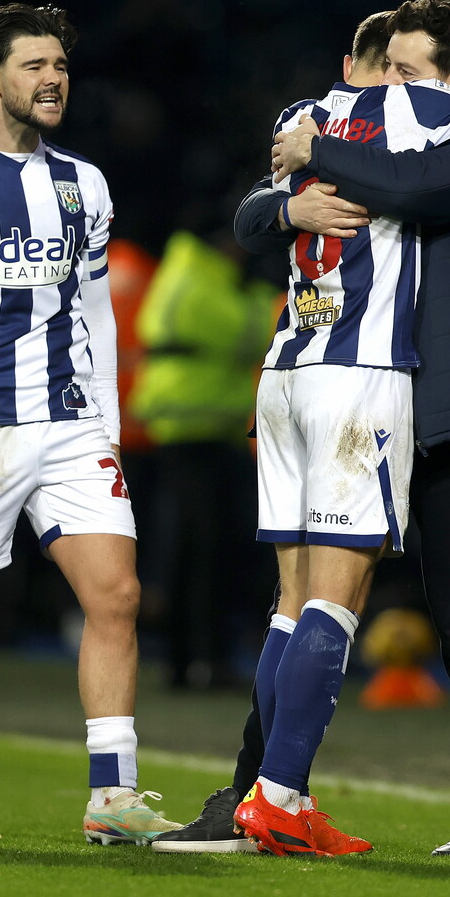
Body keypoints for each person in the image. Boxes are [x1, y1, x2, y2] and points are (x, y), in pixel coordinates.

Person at [154, 0, 450, 859]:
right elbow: (251, 212)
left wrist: (310, 161)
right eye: (389, 65)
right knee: (307, 600)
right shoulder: (397, 120)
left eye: (409, 70)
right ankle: (255, 795)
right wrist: (284, 207)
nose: (392, 82)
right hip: (369, 385)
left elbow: (413, 186)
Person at [0, 2, 181, 847]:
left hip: (69, 424)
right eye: (32, 66)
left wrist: (109, 423)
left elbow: (95, 308)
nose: (52, 79)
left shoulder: (83, 183)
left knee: (116, 594)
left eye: (59, 65)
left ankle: (111, 797)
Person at [129, 225, 279, 690]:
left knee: (191, 550)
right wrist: (268, 297)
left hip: (195, 433)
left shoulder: (187, 271)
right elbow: (255, 333)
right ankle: (201, 662)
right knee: (206, 551)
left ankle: (185, 662)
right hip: (196, 433)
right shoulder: (200, 276)